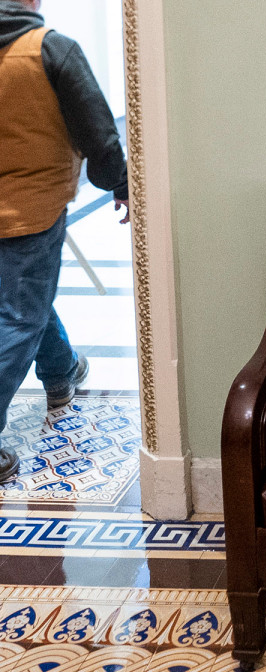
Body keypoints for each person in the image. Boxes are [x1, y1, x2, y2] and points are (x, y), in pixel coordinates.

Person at [0, 0, 130, 484]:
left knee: (24, 299)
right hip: (31, 209)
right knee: (18, 316)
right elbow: (99, 132)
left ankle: (61, 370)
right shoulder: (50, 49)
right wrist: (119, 183)